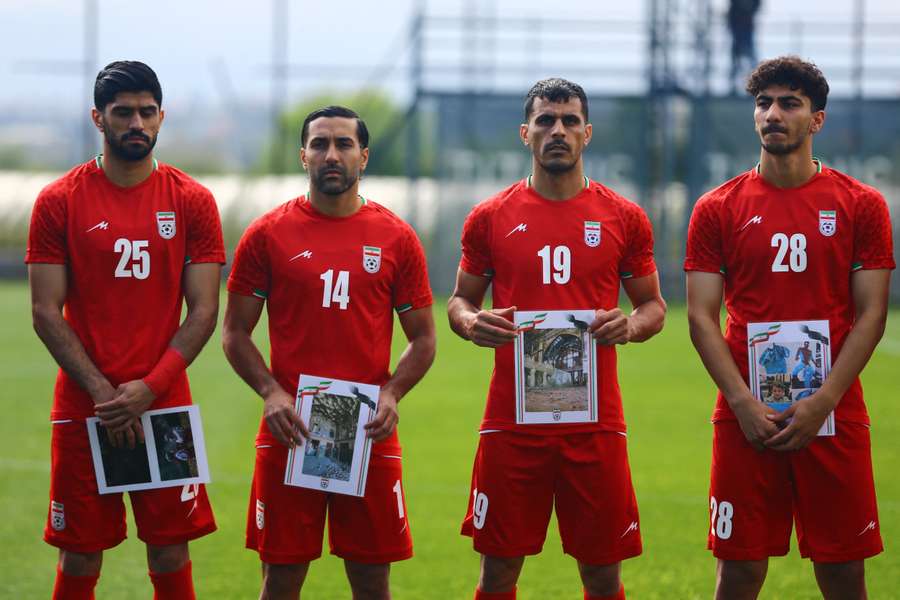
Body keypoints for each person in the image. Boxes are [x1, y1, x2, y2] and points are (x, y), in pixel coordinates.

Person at [447, 78, 666, 600]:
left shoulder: (623, 217)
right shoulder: (490, 217)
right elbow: (459, 301)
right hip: (511, 422)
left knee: (603, 574)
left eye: (569, 121)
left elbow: (654, 306)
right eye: (546, 120)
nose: (558, 131)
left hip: (594, 423)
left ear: (587, 133)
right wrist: (472, 323)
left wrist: (631, 326)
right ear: (526, 133)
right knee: (498, 572)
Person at [685, 56, 893, 599]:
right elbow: (702, 315)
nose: (773, 113)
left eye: (789, 103)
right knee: (740, 570)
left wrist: (825, 400)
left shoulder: (861, 205)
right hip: (743, 413)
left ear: (816, 120)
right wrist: (741, 403)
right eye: (763, 102)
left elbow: (872, 313)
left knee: (844, 570)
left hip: (835, 410)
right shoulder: (716, 208)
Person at [26, 60, 224, 600]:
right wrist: (104, 393)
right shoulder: (59, 200)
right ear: (98, 118)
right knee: (81, 552)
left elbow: (204, 310)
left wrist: (148, 389)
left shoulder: (192, 201)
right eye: (122, 113)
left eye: (146, 112)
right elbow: (45, 310)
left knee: (170, 548)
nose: (136, 122)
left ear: (162, 117)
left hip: (163, 403)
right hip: (84, 405)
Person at [222, 105, 436, 600]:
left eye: (343, 144)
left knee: (370, 577)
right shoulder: (267, 234)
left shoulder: (396, 237)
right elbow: (234, 332)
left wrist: (392, 393)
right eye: (320, 144)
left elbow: (423, 338)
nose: (331, 154)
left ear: (364, 156)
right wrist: (272, 393)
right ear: (303, 156)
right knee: (282, 576)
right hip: (289, 427)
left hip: (364, 429)